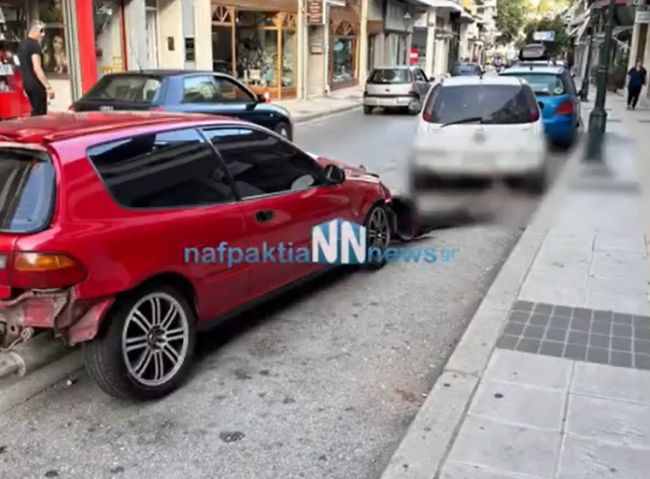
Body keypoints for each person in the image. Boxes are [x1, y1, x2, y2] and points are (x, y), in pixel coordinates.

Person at [17, 20, 54, 116]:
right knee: (40, 113)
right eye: (41, 31)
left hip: (26, 83)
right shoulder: (34, 46)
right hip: (36, 84)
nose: (43, 34)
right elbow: (37, 68)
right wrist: (48, 87)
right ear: (34, 30)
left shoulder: (22, 44)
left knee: (33, 111)